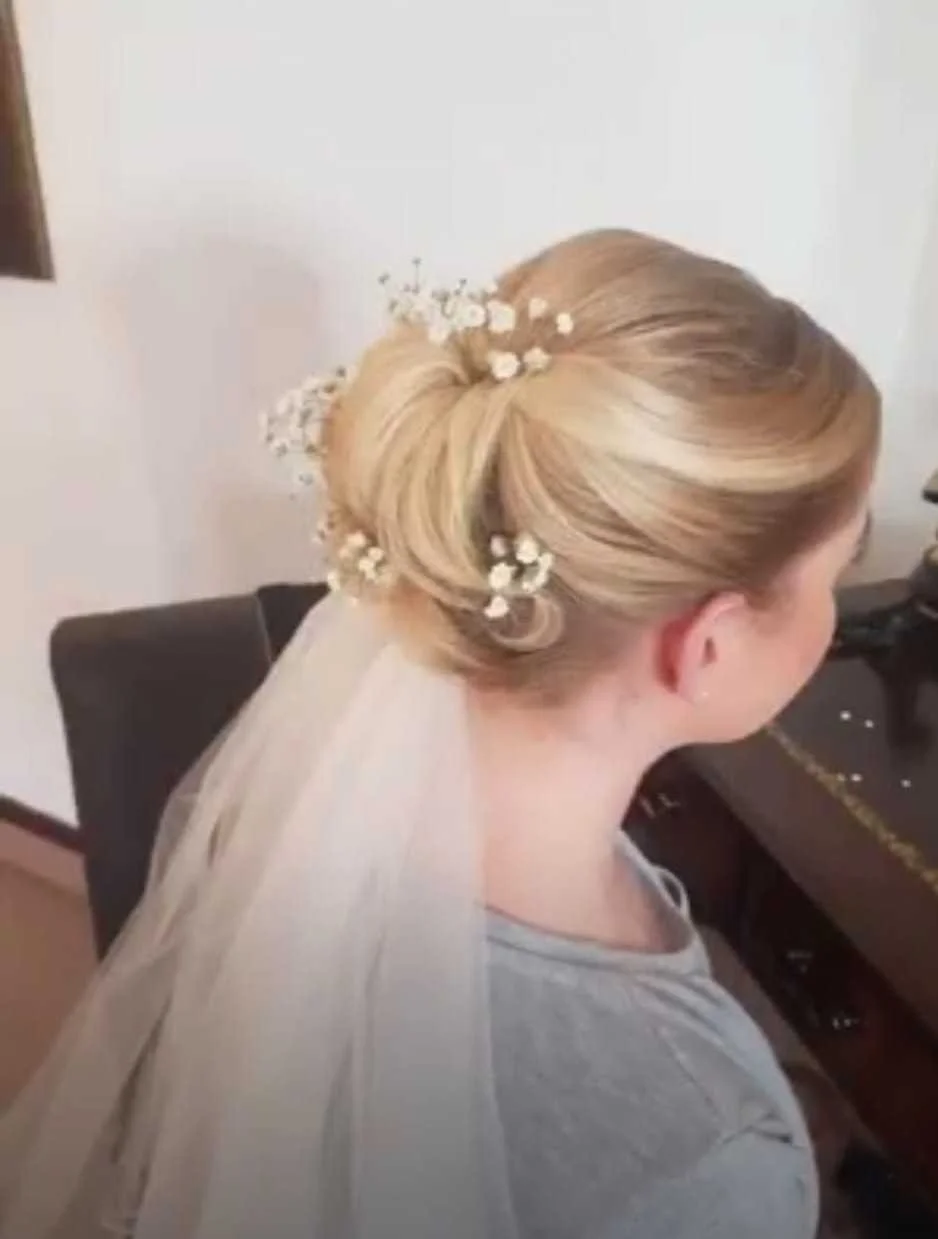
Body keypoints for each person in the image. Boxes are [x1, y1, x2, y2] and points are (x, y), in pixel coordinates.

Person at [0, 229, 879, 1239]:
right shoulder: (705, 1158)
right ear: (709, 646)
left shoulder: (322, 820)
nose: (839, 607)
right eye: (836, 574)